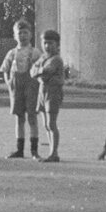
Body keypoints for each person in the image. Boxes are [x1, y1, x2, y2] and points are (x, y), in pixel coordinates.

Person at [0, 20, 43, 158]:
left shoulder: (35, 52)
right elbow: (5, 69)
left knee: (32, 117)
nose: (22, 36)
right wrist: (9, 82)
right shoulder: (12, 53)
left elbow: (41, 69)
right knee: (19, 118)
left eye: (25, 33)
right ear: (15, 36)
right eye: (20, 33)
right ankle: (20, 149)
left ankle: (34, 150)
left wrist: (38, 83)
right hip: (17, 87)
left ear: (30, 35)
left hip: (31, 87)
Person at [31, 29, 65, 162]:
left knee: (51, 123)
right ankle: (51, 152)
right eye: (45, 43)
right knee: (45, 124)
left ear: (57, 45)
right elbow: (32, 71)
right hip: (42, 91)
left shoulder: (56, 59)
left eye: (50, 43)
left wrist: (38, 71)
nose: (47, 46)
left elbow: (47, 71)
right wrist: (38, 72)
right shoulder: (43, 57)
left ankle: (54, 153)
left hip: (53, 92)